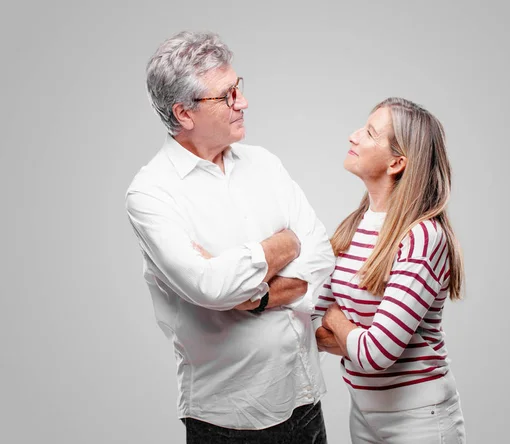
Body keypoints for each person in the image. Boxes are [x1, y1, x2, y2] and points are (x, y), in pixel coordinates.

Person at [125, 31, 334, 443]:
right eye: (227, 96)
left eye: (239, 87)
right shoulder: (151, 193)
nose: (243, 102)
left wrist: (255, 296)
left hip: (304, 401)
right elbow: (212, 287)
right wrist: (285, 243)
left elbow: (321, 254)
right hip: (228, 421)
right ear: (184, 113)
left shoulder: (265, 164)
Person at [314, 97, 467, 443]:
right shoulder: (353, 226)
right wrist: (355, 338)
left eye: (369, 132)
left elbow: (376, 354)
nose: (353, 136)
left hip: (420, 422)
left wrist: (338, 321)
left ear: (397, 162)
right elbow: (311, 318)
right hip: (364, 413)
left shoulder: (423, 236)